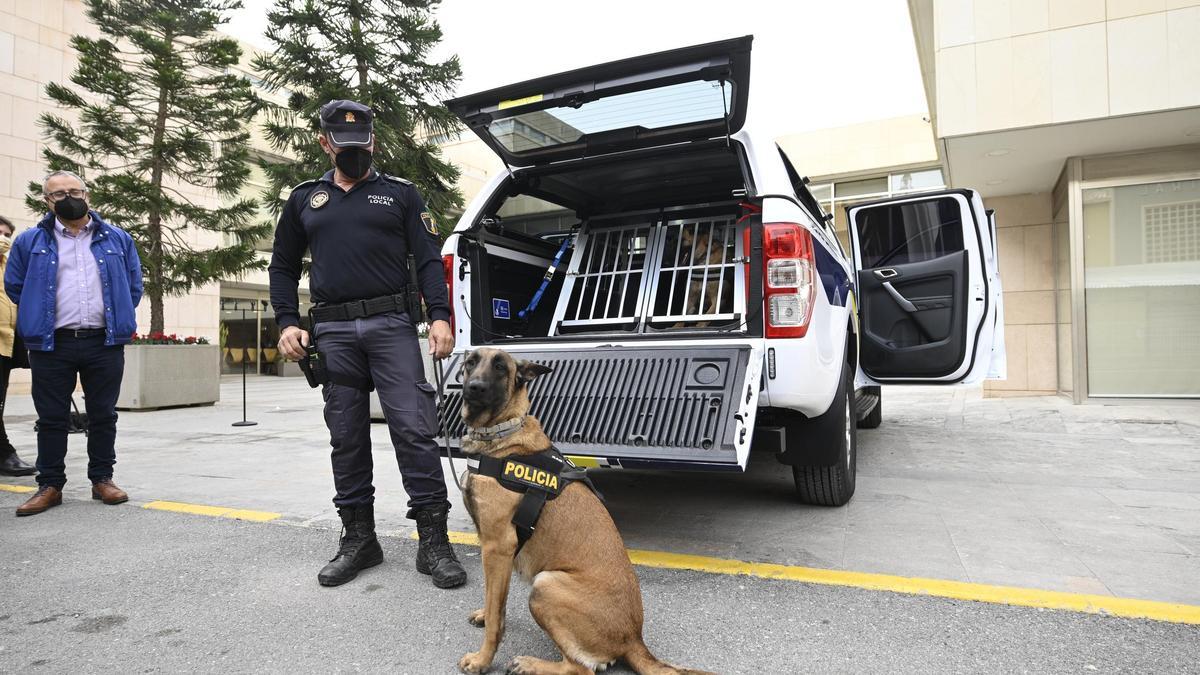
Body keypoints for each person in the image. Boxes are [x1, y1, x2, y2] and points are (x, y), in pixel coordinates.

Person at [269, 100, 464, 589]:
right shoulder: (303, 200)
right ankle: (360, 538)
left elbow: (425, 261)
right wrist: (287, 322)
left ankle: (434, 541)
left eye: (362, 144)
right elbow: (283, 266)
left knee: (414, 430)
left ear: (373, 143)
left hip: (391, 324)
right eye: (343, 145)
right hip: (333, 332)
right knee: (347, 436)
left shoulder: (400, 194)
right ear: (325, 143)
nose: (354, 152)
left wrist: (440, 316)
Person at [5, 170, 143, 516]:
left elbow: (133, 286)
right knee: (51, 417)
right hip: (52, 343)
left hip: (104, 340)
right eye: (58, 193)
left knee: (103, 414)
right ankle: (50, 485)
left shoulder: (118, 239)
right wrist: (39, 316)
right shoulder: (29, 241)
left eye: (74, 190)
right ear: (47, 201)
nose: (68, 197)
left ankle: (102, 479)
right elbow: (16, 287)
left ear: (87, 195)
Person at [0, 215, 35, 477]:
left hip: (6, 342)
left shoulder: (7, 265)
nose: (4, 239)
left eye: (7, 235)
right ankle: (4, 453)